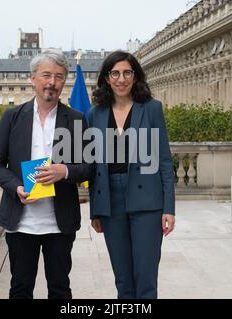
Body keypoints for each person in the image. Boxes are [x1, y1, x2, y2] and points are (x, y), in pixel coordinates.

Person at [0, 49, 91, 299]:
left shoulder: (76, 119)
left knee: (60, 288)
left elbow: (91, 166)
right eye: (46, 75)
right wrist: (16, 187)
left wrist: (63, 171)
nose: (52, 82)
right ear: (33, 78)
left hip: (59, 222)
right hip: (21, 222)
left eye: (58, 76)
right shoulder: (12, 117)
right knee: (20, 288)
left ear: (64, 82)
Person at [89, 50, 176, 299]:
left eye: (127, 72)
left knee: (146, 278)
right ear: (106, 78)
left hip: (147, 202)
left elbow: (164, 161)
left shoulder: (151, 109)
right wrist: (96, 209)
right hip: (111, 202)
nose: (121, 79)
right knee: (123, 280)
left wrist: (168, 208)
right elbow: (95, 167)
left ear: (135, 76)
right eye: (115, 73)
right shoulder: (96, 114)